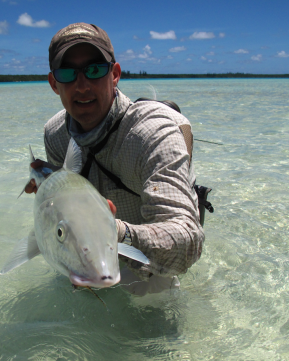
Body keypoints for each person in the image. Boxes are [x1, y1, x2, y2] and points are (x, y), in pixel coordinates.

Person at [26, 23, 204, 295]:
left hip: (150, 252)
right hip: (93, 251)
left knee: (158, 301)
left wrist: (114, 232)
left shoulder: (153, 134)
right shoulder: (55, 134)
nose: (82, 85)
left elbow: (188, 243)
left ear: (115, 74)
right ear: (54, 83)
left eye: (95, 70)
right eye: (68, 73)